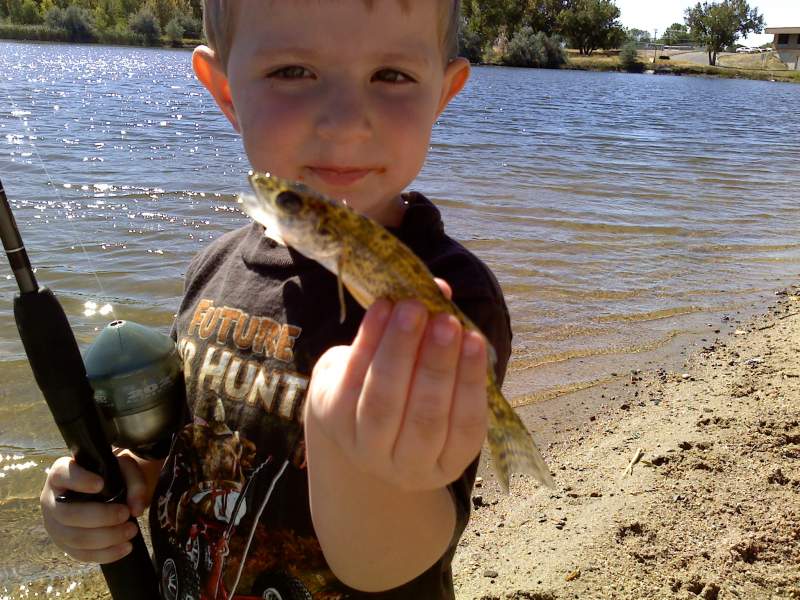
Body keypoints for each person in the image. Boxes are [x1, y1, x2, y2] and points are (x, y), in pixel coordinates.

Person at [39, 1, 513, 597]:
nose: (345, 122)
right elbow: (188, 456)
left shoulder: (454, 301)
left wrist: (358, 461)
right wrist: (120, 486)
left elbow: (398, 562)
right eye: (293, 71)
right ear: (226, 91)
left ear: (443, 94)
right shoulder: (208, 267)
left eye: (391, 76)